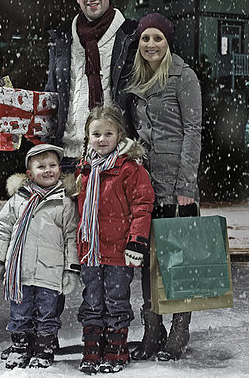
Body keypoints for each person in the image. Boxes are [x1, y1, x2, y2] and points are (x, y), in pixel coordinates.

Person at [125, 13, 202, 361]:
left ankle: (179, 330)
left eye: (157, 38)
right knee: (146, 261)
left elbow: (193, 132)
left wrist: (186, 183)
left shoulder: (183, 77)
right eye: (145, 39)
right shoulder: (135, 79)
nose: (151, 44)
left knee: (176, 261)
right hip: (146, 184)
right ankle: (151, 329)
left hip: (176, 183)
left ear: (168, 41)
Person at [0, 143, 80, 369]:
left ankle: (43, 348)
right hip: (20, 272)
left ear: (60, 169)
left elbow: (71, 237)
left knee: (47, 313)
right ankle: (20, 347)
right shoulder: (19, 199)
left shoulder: (64, 202)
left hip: (50, 271)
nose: (48, 170)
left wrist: (71, 269)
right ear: (29, 174)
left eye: (53, 165)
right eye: (41, 167)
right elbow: (4, 229)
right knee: (20, 312)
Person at [75, 106, 154, 374]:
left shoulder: (130, 169)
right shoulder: (85, 170)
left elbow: (142, 205)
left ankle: (116, 349)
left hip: (120, 251)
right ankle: (92, 348)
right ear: (87, 136)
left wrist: (136, 241)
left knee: (117, 299)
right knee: (92, 300)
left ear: (119, 134)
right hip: (92, 252)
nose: (102, 139)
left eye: (108, 133)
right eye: (96, 133)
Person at [45, 0, 137, 172]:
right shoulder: (62, 40)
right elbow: (51, 95)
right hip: (68, 155)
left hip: (116, 157)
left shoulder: (131, 36)